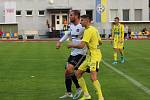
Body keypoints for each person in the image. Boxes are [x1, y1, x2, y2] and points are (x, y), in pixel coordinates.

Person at [67, 15, 104, 100]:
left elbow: (81, 45)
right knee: (78, 73)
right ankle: (87, 95)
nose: (80, 22)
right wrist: (94, 44)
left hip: (94, 57)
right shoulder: (94, 29)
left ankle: (100, 97)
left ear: (87, 21)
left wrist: (71, 45)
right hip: (89, 56)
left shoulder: (88, 31)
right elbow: (100, 42)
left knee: (93, 77)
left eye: (82, 20)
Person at [56, 10, 86, 99]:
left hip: (81, 53)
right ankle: (69, 92)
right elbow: (67, 34)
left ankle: (79, 87)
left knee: (69, 68)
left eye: (71, 15)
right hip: (73, 53)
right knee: (67, 73)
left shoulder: (83, 26)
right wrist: (59, 42)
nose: (70, 17)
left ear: (76, 16)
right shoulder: (71, 26)